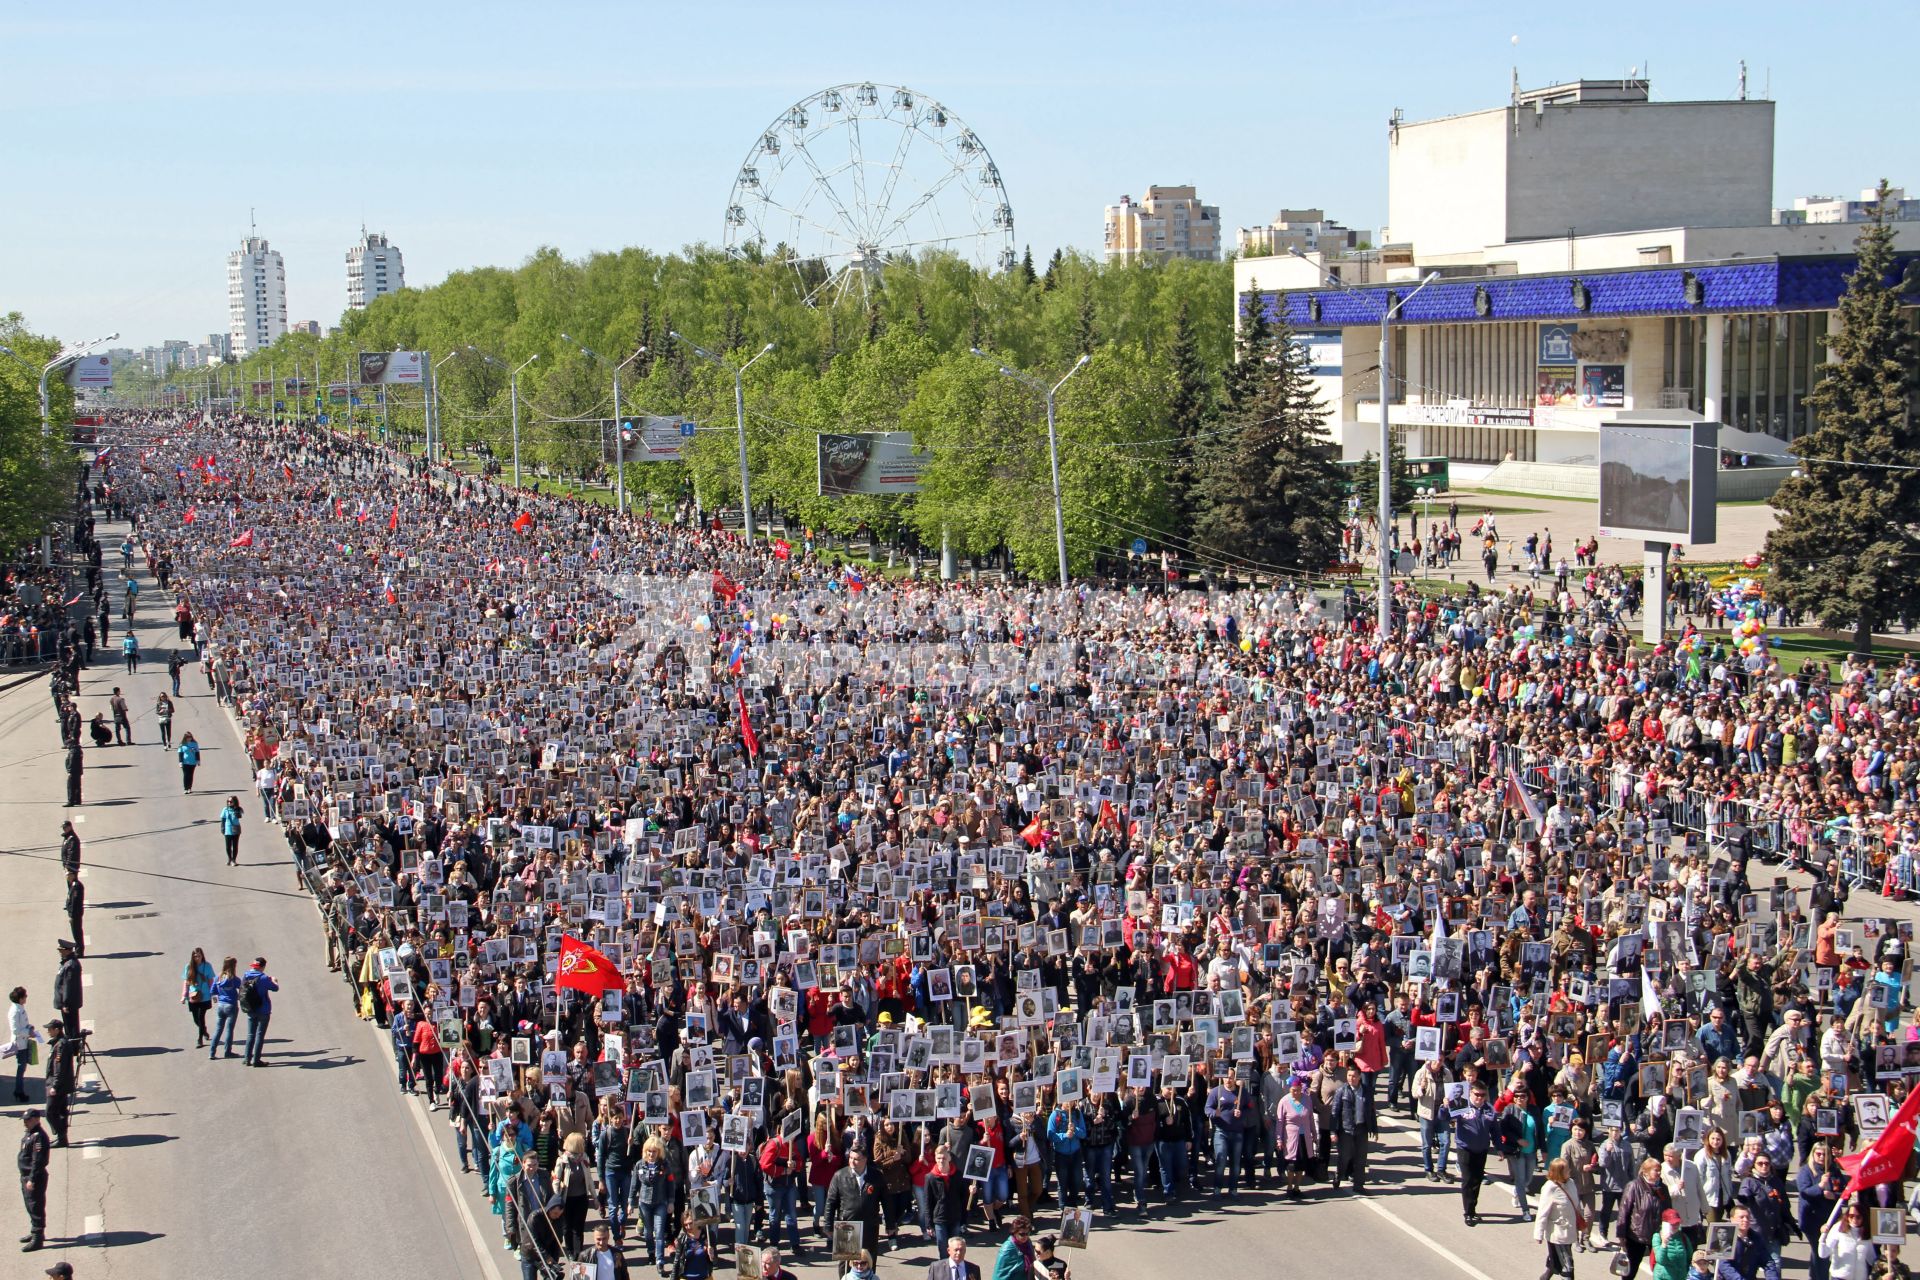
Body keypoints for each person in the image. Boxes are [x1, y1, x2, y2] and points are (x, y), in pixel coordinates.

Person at [825, 1146, 882, 1262]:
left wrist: (891, 1224)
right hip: (847, 1225)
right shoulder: (840, 1176)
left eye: (856, 1159)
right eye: (850, 1158)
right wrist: (828, 1225)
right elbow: (831, 1202)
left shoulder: (876, 1176)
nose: (852, 1161)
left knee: (868, 1262)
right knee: (846, 1265)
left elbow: (886, 1200)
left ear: (865, 1159)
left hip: (869, 1226)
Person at [1452, 1082, 1497, 1225]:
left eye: (1482, 1095)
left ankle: (1473, 1208)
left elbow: (1495, 1130)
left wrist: (1500, 1148)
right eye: (1477, 1095)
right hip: (1465, 1148)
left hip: (1482, 1149)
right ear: (1470, 1093)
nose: (1479, 1098)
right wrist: (1445, 1106)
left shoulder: (1489, 1109)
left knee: (1477, 1180)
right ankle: (1468, 1212)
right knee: (1468, 1180)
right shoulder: (1462, 1106)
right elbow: (1444, 1117)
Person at [1618, 1158, 1671, 1278]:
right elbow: (1623, 1212)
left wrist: (1669, 1231)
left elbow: (1668, 1212)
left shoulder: (1663, 1188)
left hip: (1657, 1237)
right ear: (1645, 1172)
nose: (1659, 1173)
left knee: (1661, 1269)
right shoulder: (1634, 1186)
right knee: (1630, 1271)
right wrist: (1621, 1236)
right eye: (1656, 1170)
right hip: (1636, 1236)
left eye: (1659, 1170)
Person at [1533, 1158, 1584, 1280]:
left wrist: (1581, 1224)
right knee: (1567, 1267)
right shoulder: (1549, 1188)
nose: (1569, 1170)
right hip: (1558, 1234)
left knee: (1555, 1262)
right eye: (1566, 1169)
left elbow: (1576, 1204)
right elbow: (1542, 1213)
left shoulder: (1571, 1182)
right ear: (1559, 1172)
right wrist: (1538, 1234)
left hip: (1570, 1231)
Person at [1330, 1064, 1372, 1193]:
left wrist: (1373, 1128)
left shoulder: (1366, 1090)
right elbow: (1335, 1112)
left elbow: (1370, 1110)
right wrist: (1333, 1131)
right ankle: (1339, 1174)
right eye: (1349, 1075)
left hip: (1361, 1128)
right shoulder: (1342, 1091)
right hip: (1346, 1129)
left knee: (1361, 1158)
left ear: (1359, 1077)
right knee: (1345, 1156)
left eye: (1354, 1076)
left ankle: (1358, 1185)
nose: (1351, 1078)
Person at [42, 1021, 78, 1149]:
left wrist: (55, 1086)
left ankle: (61, 1135)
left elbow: (59, 1069)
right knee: (61, 1111)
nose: (48, 1031)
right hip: (61, 1084)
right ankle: (62, 1138)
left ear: (57, 1030)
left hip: (58, 1085)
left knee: (50, 1112)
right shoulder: (60, 1042)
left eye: (50, 1029)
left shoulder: (61, 1045)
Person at [18, 1110, 49, 1253]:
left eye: (28, 1120)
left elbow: (38, 1161)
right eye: (25, 1120)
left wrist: (32, 1179)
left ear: (37, 1119)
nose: (25, 1122)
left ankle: (38, 1237)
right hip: (25, 1175)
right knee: (30, 1205)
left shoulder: (39, 1137)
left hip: (34, 1177)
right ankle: (34, 1231)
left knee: (35, 1205)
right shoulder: (29, 1133)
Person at [240, 956, 277, 1066]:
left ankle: (247, 1058)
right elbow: (275, 988)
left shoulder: (246, 975)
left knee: (250, 1034)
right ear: (263, 967)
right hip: (263, 1009)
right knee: (260, 1036)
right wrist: (274, 981)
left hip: (250, 1008)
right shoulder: (264, 978)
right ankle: (256, 1060)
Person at [180, 948, 214, 1049]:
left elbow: (211, 981)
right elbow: (186, 983)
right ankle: (203, 1030)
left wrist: (213, 994)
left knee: (201, 1017)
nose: (197, 958)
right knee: (196, 1019)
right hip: (193, 996)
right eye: (195, 956)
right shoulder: (189, 967)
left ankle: (200, 1039)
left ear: (202, 956)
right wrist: (183, 996)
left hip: (205, 996)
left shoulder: (207, 966)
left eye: (199, 956)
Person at [208, 956, 241, 1059]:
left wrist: (216, 1000)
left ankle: (212, 1053)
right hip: (231, 1005)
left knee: (218, 1029)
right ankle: (227, 1052)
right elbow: (242, 990)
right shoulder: (234, 979)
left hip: (221, 1005)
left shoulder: (218, 978)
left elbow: (213, 991)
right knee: (229, 1030)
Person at [5, 989, 35, 1103]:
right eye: (25, 996)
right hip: (19, 1043)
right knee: (21, 1068)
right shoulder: (14, 1011)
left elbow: (23, 1024)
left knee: (22, 1068)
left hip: (24, 1041)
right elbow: (16, 1030)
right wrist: (28, 1032)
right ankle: (19, 1091)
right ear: (20, 998)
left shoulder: (19, 1008)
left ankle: (19, 1090)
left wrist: (29, 1027)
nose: (26, 998)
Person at [52, 940, 81, 1033]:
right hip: (68, 1003)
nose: (59, 952)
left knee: (71, 1027)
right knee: (69, 1026)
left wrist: (66, 1004)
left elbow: (68, 986)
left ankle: (74, 1046)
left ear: (67, 950)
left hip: (69, 1004)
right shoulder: (67, 963)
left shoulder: (70, 965)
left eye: (61, 950)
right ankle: (73, 1045)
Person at [992, 1216, 1034, 1280]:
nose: (1025, 1236)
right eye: (1022, 1234)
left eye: (1027, 1233)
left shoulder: (1027, 1242)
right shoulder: (1007, 1249)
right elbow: (998, 1274)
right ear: (1014, 1232)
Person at [63, 871, 84, 960]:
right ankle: (78, 949)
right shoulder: (73, 884)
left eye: (68, 875)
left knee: (77, 933)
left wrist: (71, 915)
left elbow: (75, 903)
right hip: (73, 914)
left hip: (75, 914)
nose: (66, 876)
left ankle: (79, 951)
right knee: (75, 932)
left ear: (72, 875)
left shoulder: (77, 886)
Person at [220, 797, 244, 866]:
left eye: (231, 801)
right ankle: (229, 858)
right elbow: (223, 820)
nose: (229, 803)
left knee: (235, 846)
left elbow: (240, 816)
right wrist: (222, 828)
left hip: (236, 829)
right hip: (228, 830)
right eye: (228, 801)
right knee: (228, 846)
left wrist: (236, 810)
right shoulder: (225, 809)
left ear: (235, 802)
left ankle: (234, 860)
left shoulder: (238, 809)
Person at [64, 740, 81, 808]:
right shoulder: (78, 750)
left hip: (73, 772)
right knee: (77, 786)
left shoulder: (73, 752)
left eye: (67, 745)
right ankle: (77, 800)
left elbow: (72, 762)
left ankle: (71, 801)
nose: (67, 747)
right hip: (78, 771)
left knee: (71, 786)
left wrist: (69, 771)